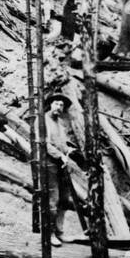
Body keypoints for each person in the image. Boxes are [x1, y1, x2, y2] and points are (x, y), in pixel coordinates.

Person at [43, 91, 76, 245]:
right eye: (56, 103)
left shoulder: (60, 123)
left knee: (64, 199)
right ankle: (49, 235)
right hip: (49, 164)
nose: (59, 107)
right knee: (53, 200)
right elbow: (45, 143)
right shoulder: (42, 120)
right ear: (50, 104)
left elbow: (64, 142)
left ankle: (60, 232)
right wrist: (59, 155)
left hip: (62, 164)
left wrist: (68, 151)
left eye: (61, 105)